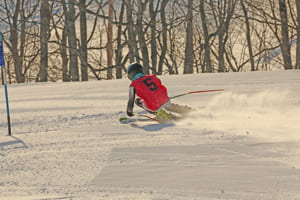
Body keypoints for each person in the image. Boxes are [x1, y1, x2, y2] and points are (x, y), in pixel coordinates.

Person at [126, 62, 191, 121]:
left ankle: (160, 114)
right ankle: (187, 111)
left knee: (137, 101)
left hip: (154, 106)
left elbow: (131, 101)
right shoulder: (152, 76)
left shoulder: (133, 85)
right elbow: (158, 85)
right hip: (166, 100)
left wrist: (129, 112)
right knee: (169, 106)